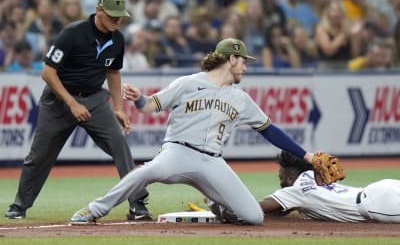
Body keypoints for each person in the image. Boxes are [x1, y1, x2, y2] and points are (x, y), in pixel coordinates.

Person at [70, 38, 320, 225]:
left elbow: (270, 131)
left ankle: (216, 204)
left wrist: (306, 156)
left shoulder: (241, 99)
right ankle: (93, 210)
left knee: (253, 217)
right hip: (177, 153)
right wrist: (138, 99)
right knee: (146, 172)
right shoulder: (188, 83)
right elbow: (149, 107)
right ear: (231, 59)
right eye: (243, 61)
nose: (245, 67)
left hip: (212, 161)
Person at [4, 0, 150, 221]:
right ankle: (19, 206)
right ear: (99, 10)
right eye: (112, 14)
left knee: (119, 144)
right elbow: (48, 73)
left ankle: (137, 204)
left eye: (120, 16)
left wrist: (119, 108)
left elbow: (113, 72)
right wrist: (72, 104)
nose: (116, 20)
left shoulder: (118, 39)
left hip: (93, 99)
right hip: (59, 101)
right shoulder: (73, 33)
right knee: (39, 156)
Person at [259, 151, 400, 223]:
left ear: (290, 178)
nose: (281, 183)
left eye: (281, 178)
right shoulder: (311, 174)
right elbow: (283, 209)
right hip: (380, 189)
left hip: (378, 205)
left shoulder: (296, 191)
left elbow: (260, 207)